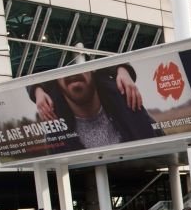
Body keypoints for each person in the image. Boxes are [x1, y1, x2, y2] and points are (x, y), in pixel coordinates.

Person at [27, 64, 163, 150]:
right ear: (56, 83)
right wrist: (37, 89)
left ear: (94, 72)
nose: (73, 73)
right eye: (63, 71)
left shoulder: (126, 106)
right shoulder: (56, 133)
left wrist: (122, 68)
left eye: (80, 67)